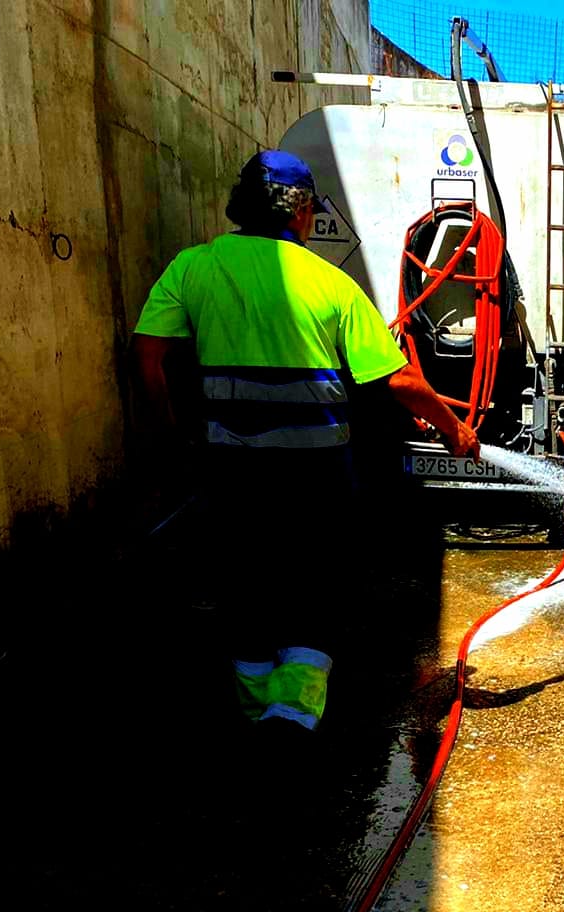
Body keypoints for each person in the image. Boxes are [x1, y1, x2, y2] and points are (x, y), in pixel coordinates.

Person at [131, 149, 479, 735]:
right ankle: (293, 717)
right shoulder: (330, 284)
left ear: (243, 204)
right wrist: (456, 430)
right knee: (313, 586)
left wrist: (172, 436)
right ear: (305, 213)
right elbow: (396, 379)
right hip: (317, 477)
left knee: (245, 580)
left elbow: (148, 355)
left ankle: (251, 707)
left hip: (231, 469)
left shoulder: (193, 267)